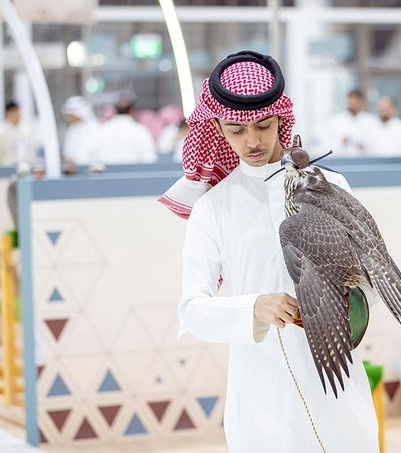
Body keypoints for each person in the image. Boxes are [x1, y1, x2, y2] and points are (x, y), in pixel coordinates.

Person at [159, 50, 379, 453]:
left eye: (263, 125)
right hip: (261, 395)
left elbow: (366, 279)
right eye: (236, 130)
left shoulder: (330, 187)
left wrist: (348, 301)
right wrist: (253, 308)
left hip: (335, 388)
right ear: (218, 129)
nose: (252, 141)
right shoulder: (213, 208)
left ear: (280, 119)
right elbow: (191, 310)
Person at [82, 97, 157, 164]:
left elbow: (85, 156)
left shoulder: (101, 131)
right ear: (131, 111)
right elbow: (150, 159)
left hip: (106, 174)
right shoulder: (141, 131)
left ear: (115, 111)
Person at [324, 88, 380, 157]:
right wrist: (341, 142)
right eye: (350, 100)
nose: (352, 103)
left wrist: (364, 147)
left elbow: (377, 146)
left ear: (362, 102)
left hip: (365, 160)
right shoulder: (336, 121)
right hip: (341, 160)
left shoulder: (371, 122)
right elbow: (326, 146)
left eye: (355, 101)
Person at [0, 100, 39, 166]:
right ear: (7, 113)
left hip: (25, 168)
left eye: (17, 111)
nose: (16, 114)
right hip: (7, 168)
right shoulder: (0, 133)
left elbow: (32, 153)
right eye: (13, 112)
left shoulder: (27, 131)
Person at [60, 96, 101, 165]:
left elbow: (91, 151)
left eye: (69, 115)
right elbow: (67, 152)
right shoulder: (72, 128)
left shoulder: (93, 128)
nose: (67, 118)